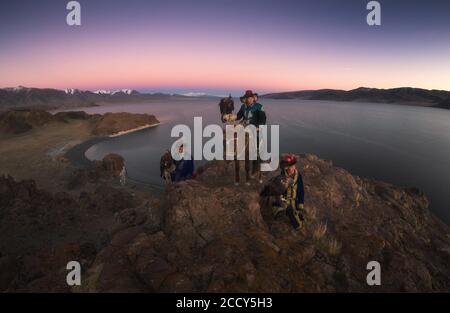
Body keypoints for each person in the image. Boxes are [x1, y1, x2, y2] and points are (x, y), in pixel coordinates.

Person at [234, 90, 266, 185]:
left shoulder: (259, 107)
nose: (248, 99)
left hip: (254, 128)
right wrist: (231, 117)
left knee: (257, 145)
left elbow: (263, 119)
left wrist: (258, 127)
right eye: (247, 98)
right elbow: (239, 116)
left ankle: (258, 159)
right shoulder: (243, 106)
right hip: (244, 126)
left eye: (250, 98)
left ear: (253, 98)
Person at [272, 154, 305, 230]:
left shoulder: (298, 176)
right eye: (290, 166)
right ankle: (281, 211)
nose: (292, 168)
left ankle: (295, 215)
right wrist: (281, 199)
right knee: (283, 208)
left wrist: (300, 203)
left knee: (295, 212)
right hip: (285, 200)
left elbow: (301, 190)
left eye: (293, 166)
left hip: (294, 200)